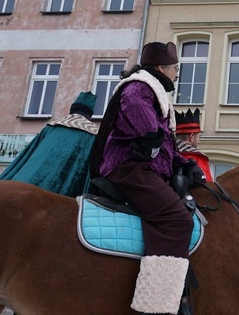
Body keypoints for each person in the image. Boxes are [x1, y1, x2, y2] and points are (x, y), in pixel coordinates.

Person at [89, 41, 204, 314]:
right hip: (128, 168)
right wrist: (149, 131)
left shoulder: (154, 90)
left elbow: (164, 145)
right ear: (162, 68)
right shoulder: (139, 86)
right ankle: (157, 303)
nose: (177, 73)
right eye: (176, 68)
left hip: (142, 168)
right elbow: (137, 110)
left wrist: (183, 164)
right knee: (176, 220)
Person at [0, 91, 97, 198]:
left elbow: (26, 156)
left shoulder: (50, 128)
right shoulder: (93, 135)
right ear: (90, 116)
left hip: (26, 180)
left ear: (71, 110)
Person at [175, 108, 213, 182]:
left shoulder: (166, 154)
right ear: (191, 137)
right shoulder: (198, 158)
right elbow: (208, 187)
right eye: (199, 137)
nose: (199, 142)